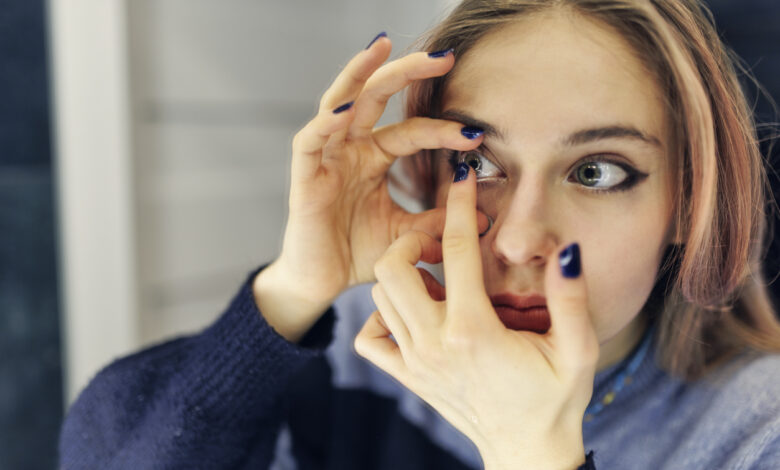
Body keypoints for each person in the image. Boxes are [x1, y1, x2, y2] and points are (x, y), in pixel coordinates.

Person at [59, 1, 780, 468]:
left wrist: (531, 450)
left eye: (595, 171)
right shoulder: (348, 349)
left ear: (689, 199)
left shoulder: (754, 432)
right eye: (476, 161)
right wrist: (293, 289)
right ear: (431, 167)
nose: (519, 239)